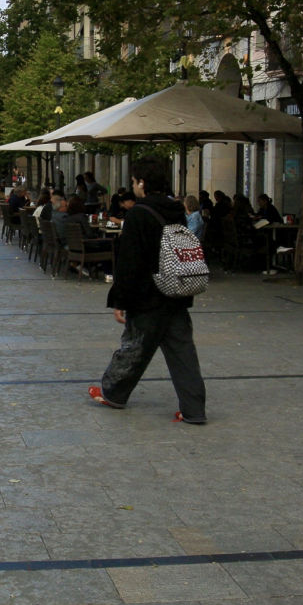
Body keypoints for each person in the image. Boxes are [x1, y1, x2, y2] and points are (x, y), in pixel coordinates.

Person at [88, 158, 206, 424]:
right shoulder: (177, 210)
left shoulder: (139, 214)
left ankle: (114, 393)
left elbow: (130, 262)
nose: (133, 186)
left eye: (133, 181)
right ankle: (194, 410)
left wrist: (120, 299)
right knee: (183, 353)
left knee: (133, 347)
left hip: (147, 294)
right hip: (176, 291)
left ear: (142, 182)